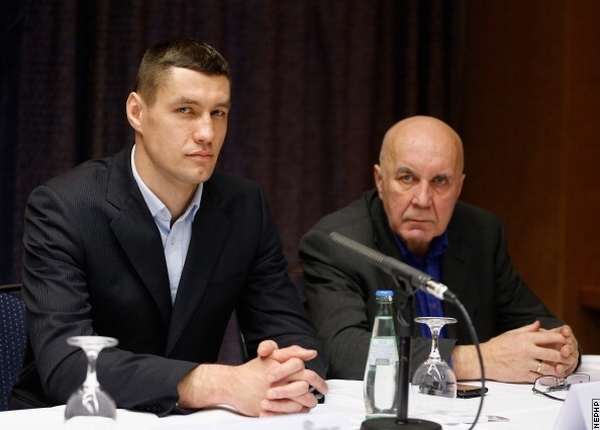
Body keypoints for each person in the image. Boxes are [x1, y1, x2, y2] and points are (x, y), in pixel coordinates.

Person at [10, 37, 328, 417]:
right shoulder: (65, 206)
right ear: (136, 112)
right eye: (185, 110)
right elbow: (67, 363)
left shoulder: (244, 206)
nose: (207, 133)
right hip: (74, 417)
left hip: (186, 421)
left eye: (218, 113)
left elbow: (290, 330)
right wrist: (219, 382)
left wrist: (288, 371)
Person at [299, 115, 580, 383]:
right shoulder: (338, 242)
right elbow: (342, 350)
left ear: (459, 187)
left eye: (440, 181)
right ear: (380, 181)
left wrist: (563, 348)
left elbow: (536, 321)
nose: (422, 199)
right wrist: (480, 359)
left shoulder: (482, 233)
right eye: (407, 178)